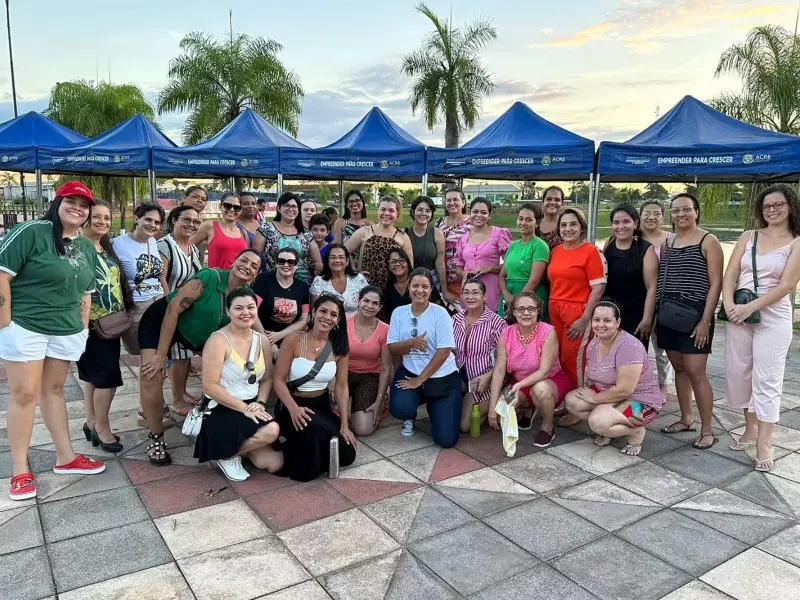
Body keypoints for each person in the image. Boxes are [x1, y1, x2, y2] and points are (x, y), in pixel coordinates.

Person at [0, 181, 105, 500]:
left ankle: (66, 457)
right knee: (24, 394)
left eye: (84, 204)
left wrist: (83, 328)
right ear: (56, 202)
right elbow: (2, 275)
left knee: (54, 390)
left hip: (65, 329)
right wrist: (6, 326)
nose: (78, 208)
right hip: (26, 326)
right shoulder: (32, 231)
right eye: (71, 201)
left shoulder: (86, 246)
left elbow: (85, 291)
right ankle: (19, 470)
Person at [137, 249, 263, 465]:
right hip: (161, 321)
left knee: (230, 369)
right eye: (244, 260)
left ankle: (215, 422)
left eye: (254, 266)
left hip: (195, 337)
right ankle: (156, 437)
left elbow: (253, 322)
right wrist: (160, 355)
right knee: (152, 376)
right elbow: (172, 311)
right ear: (233, 261)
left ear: (256, 275)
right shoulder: (208, 278)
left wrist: (268, 343)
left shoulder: (245, 294)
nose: (247, 266)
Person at [723, 184, 800, 471]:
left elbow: (787, 286)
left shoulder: (796, 242)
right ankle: (750, 428)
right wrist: (730, 305)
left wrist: (750, 308)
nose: (772, 210)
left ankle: (764, 442)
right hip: (739, 311)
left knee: (766, 379)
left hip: (772, 315)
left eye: (778, 204)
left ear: (790, 206)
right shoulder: (749, 236)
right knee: (741, 373)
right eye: (767, 206)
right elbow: (731, 273)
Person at [656, 193, 723, 450]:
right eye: (675, 211)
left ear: (696, 211)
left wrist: (706, 320)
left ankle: (708, 429)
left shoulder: (709, 240)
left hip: (696, 314)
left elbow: (715, 283)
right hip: (669, 314)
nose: (680, 214)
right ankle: (686, 419)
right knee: (679, 368)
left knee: (696, 371)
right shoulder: (668, 243)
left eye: (686, 209)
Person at [194, 288, 283, 481]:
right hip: (221, 406)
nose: (246, 312)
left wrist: (260, 402)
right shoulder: (218, 340)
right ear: (228, 311)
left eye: (251, 307)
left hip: (251, 403)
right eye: (238, 308)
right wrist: (244, 409)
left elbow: (267, 378)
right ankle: (225, 454)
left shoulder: (262, 341)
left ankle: (239, 450)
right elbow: (209, 386)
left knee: (274, 464)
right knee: (272, 430)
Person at [272, 295, 357, 481]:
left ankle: (303, 446)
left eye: (334, 314)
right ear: (313, 312)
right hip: (292, 403)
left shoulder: (339, 345)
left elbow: (342, 386)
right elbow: (278, 380)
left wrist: (344, 424)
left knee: (348, 454)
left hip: (321, 405)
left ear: (338, 320)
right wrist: (293, 409)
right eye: (323, 311)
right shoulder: (294, 339)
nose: (327, 317)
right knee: (311, 455)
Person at [564, 300, 663, 456]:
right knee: (572, 402)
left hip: (640, 403)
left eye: (607, 320)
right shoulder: (594, 343)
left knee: (598, 422)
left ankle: (635, 432)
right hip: (610, 395)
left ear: (618, 323)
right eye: (596, 320)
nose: (600, 324)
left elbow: (625, 390)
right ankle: (611, 429)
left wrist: (596, 399)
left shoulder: (629, 347)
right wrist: (596, 398)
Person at [78, 200, 134, 453]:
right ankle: (102, 427)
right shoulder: (78, 248)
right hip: (89, 323)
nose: (102, 222)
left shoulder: (103, 247)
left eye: (107, 218)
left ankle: (92, 422)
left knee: (92, 376)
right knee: (107, 379)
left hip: (108, 322)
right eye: (97, 217)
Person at [388, 268, 461, 446]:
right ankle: (411, 413)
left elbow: (444, 351)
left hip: (441, 376)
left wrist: (420, 380)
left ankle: (436, 404)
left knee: (446, 440)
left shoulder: (440, 313)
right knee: (401, 408)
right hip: (410, 371)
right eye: (415, 285)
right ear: (408, 286)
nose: (419, 290)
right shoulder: (399, 312)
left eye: (425, 286)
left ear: (430, 289)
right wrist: (411, 343)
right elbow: (392, 348)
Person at [488, 292, 570, 447]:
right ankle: (529, 409)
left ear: (538, 310)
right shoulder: (506, 333)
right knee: (501, 414)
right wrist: (493, 407)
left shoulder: (548, 332)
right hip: (520, 381)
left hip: (550, 380)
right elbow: (499, 370)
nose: (526, 313)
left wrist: (518, 386)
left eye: (531, 309)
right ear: (513, 311)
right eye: (520, 309)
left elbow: (544, 371)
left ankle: (547, 425)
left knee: (540, 390)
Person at [547, 207, 606, 394]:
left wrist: (585, 318)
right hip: (555, 307)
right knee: (557, 356)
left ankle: (576, 401)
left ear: (582, 227)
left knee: (573, 359)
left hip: (578, 310)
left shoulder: (591, 252)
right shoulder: (556, 251)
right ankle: (562, 395)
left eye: (573, 224)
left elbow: (598, 288)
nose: (568, 229)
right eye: (563, 225)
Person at [158, 205, 203, 415]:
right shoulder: (164, 246)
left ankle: (183, 392)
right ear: (174, 220)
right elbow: (161, 280)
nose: (191, 225)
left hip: (187, 310)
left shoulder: (192, 247)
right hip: (171, 308)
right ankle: (176, 399)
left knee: (185, 354)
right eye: (186, 219)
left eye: (196, 221)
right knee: (176, 354)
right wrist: (171, 305)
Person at [453, 279, 507, 433]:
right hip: (460, 376)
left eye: (475, 292)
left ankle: (499, 401)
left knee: (465, 426)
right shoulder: (455, 320)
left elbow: (506, 359)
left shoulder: (496, 323)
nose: (470, 296)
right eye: (466, 292)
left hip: (484, 380)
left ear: (484, 296)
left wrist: (489, 375)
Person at [113, 203, 165, 362]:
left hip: (159, 304)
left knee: (159, 354)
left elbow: (159, 276)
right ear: (137, 219)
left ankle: (156, 385)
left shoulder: (153, 242)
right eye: (148, 219)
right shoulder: (117, 244)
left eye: (157, 222)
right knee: (145, 356)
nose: (152, 225)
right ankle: (148, 386)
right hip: (137, 307)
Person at [603, 203, 658, 348]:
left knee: (633, 362)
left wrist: (647, 319)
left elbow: (652, 287)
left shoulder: (645, 249)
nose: (621, 226)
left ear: (636, 223)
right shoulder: (609, 243)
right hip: (610, 314)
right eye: (616, 222)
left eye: (626, 221)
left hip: (635, 315)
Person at [639, 200, 675, 399]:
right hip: (638, 299)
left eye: (656, 213)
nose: (651, 217)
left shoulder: (672, 240)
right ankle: (639, 383)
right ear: (640, 215)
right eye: (647, 213)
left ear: (663, 217)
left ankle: (663, 384)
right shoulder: (633, 238)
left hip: (664, 301)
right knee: (637, 344)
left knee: (662, 347)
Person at [346, 286, 392, 436]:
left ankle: (384, 398)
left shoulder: (385, 329)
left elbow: (385, 368)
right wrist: (333, 382)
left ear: (380, 307)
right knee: (334, 411)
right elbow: (333, 356)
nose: (369, 306)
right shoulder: (343, 323)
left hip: (369, 376)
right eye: (366, 301)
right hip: (343, 374)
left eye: (375, 303)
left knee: (363, 429)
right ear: (358, 301)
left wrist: (378, 401)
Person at [455, 197, 512, 313]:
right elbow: (458, 269)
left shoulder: (499, 234)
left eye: (483, 212)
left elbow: (509, 265)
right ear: (469, 213)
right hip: (469, 291)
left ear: (489, 215)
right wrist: (466, 274)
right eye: (475, 212)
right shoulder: (463, 238)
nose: (479, 215)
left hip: (491, 289)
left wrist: (489, 269)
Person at [254, 192, 322, 286]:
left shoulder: (305, 233)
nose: (291, 209)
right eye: (287, 205)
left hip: (302, 285)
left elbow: (318, 262)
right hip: (273, 283)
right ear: (278, 208)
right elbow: (254, 257)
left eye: (294, 206)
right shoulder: (266, 229)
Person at [345, 195, 413, 290]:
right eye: (383, 209)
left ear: (397, 213)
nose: (386, 213)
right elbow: (342, 252)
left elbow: (410, 267)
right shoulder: (364, 231)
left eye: (391, 210)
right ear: (378, 211)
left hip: (392, 290)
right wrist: (354, 272)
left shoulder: (402, 237)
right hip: (365, 288)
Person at [252, 248, 310, 356]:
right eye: (281, 261)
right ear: (276, 263)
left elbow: (303, 320)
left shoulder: (303, 287)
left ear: (297, 265)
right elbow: (252, 310)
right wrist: (268, 341)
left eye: (291, 262)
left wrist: (279, 335)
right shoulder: (263, 280)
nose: (286, 264)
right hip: (260, 336)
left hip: (289, 340)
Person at [499, 203, 549, 317]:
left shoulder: (539, 246)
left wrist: (517, 303)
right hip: (508, 295)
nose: (523, 223)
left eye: (529, 220)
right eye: (520, 219)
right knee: (507, 332)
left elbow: (533, 282)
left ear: (537, 223)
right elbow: (502, 275)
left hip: (529, 295)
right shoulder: (512, 246)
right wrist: (506, 295)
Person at [406, 195, 449, 301]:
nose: (423, 214)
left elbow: (440, 263)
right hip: (411, 282)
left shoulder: (437, 233)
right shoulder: (404, 234)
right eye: (420, 210)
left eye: (428, 211)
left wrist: (444, 290)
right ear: (413, 211)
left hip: (432, 281)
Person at [384, 247, 444, 322]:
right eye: (393, 262)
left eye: (401, 260)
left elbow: (438, 306)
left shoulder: (421, 281)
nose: (397, 264)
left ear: (408, 263)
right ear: (389, 266)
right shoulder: (387, 287)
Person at [191, 192, 249, 269]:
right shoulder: (210, 226)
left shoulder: (243, 232)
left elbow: (247, 258)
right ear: (220, 206)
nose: (232, 210)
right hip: (216, 279)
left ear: (240, 210)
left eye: (236, 207)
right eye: (227, 206)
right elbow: (187, 246)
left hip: (239, 279)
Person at [435, 187, 472, 302]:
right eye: (448, 200)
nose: (452, 203)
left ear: (463, 202)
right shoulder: (439, 223)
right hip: (444, 281)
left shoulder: (472, 223)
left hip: (466, 280)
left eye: (455, 199)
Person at [310, 243, 369, 316]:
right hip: (328, 324)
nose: (337, 260)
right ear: (327, 261)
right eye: (333, 257)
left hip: (356, 324)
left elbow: (368, 305)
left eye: (341, 257)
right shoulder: (319, 281)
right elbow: (315, 311)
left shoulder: (358, 279)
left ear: (347, 261)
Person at [332, 190, 372, 264]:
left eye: (357, 200)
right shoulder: (340, 223)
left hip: (364, 265)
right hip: (345, 264)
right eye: (351, 201)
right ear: (347, 205)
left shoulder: (369, 225)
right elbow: (337, 247)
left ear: (362, 202)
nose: (354, 203)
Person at [537, 186, 564, 250]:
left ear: (562, 204)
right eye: (549, 199)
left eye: (557, 200)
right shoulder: (534, 223)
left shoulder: (567, 225)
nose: (552, 203)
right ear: (543, 203)